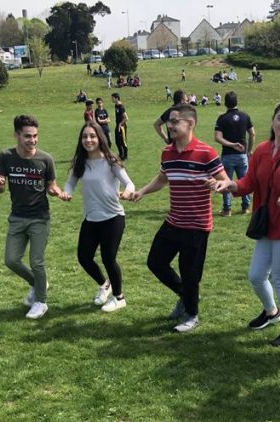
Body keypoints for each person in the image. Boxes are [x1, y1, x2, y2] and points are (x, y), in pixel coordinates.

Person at [212, 101, 280, 347]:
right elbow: (249, 182)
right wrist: (228, 185)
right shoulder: (261, 150)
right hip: (266, 223)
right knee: (256, 275)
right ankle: (272, 313)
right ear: (272, 120)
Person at [129, 104, 229, 333]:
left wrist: (218, 184)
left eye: (175, 122)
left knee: (190, 272)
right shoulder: (167, 152)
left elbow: (225, 182)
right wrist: (142, 191)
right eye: (169, 122)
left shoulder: (206, 153)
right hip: (174, 221)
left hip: (197, 225)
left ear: (190, 124)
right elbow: (163, 179)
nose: (170, 126)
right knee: (155, 262)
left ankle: (192, 314)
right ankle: (187, 296)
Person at [0, 115, 62, 320]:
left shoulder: (45, 159)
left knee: (37, 262)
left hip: (39, 217)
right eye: (27, 136)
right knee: (11, 260)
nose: (33, 140)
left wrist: (57, 192)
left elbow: (51, 186)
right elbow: (1, 188)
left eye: (35, 136)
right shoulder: (5, 156)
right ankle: (38, 283)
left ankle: (41, 302)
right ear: (16, 135)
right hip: (17, 217)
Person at [61, 122, 135, 313]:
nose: (88, 140)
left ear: (99, 138)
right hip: (91, 218)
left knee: (108, 258)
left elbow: (129, 183)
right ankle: (104, 284)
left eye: (92, 136)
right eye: (85, 137)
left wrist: (127, 192)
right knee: (84, 257)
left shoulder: (111, 160)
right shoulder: (80, 163)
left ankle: (119, 298)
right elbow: (70, 183)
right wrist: (66, 192)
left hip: (113, 217)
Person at [214, 91, 255, 216]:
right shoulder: (245, 116)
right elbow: (252, 134)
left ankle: (227, 209)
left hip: (227, 155)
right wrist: (249, 151)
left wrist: (231, 144)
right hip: (242, 155)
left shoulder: (222, 118)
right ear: (237, 102)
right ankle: (245, 207)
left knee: (226, 182)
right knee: (244, 181)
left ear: (225, 103)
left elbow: (217, 137)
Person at [111, 93, 128, 161]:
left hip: (122, 127)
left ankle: (125, 155)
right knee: (117, 141)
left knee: (123, 141)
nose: (112, 99)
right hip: (117, 125)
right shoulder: (116, 105)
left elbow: (126, 118)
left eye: (113, 98)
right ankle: (121, 154)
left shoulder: (121, 106)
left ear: (117, 98)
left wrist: (120, 124)